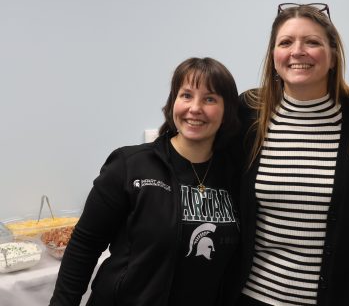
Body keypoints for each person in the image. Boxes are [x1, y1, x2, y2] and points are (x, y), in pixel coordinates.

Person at [50, 57, 241, 306]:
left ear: (226, 112)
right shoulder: (130, 165)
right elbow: (84, 246)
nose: (195, 108)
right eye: (186, 95)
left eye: (210, 99)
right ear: (173, 102)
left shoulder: (234, 176)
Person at [233, 3, 349, 306]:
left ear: (333, 55)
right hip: (254, 297)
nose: (297, 51)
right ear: (273, 56)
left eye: (312, 42)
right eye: (285, 42)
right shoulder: (248, 112)